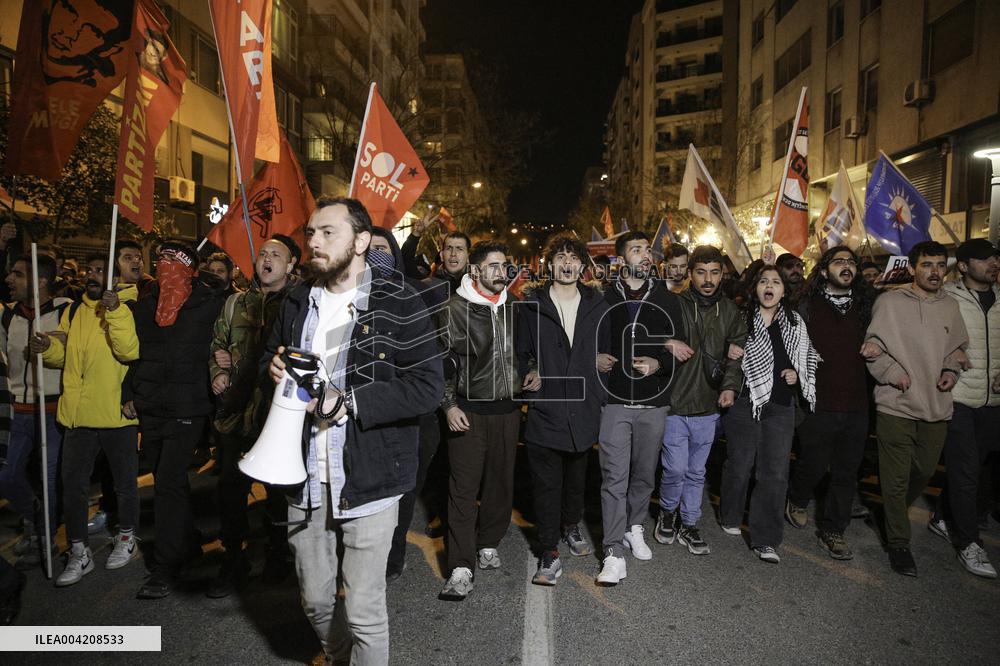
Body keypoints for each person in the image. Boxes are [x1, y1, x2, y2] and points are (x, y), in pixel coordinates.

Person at [265, 196, 442, 663]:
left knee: (364, 610)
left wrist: (352, 401)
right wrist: (276, 366)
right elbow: (271, 355)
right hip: (303, 475)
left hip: (371, 475)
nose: (315, 242)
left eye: (328, 233)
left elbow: (428, 387)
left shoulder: (400, 301)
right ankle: (340, 656)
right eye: (311, 233)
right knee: (316, 601)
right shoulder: (297, 298)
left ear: (361, 241)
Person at [124, 240, 227, 599]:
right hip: (151, 405)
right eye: (162, 258)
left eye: (175, 259)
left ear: (191, 268)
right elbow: (135, 354)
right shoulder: (145, 303)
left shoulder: (208, 302)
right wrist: (129, 394)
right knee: (170, 481)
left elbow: (227, 338)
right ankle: (188, 542)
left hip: (188, 405)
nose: (166, 264)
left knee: (166, 481)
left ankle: (166, 567)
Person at [30, 255, 141, 586]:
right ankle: (79, 550)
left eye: (99, 271)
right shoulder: (74, 310)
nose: (91, 276)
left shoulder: (130, 306)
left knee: (124, 485)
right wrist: (47, 346)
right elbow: (64, 356)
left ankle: (126, 537)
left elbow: (129, 352)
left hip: (116, 414)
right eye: (89, 271)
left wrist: (115, 311)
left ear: (113, 276)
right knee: (73, 486)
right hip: (78, 415)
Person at [862, 240, 968, 577]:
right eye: (927, 265)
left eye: (940, 265)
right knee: (894, 479)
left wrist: (951, 371)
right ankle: (898, 542)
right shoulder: (890, 302)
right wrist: (894, 374)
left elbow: (957, 348)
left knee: (922, 471)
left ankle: (888, 511)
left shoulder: (950, 306)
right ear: (911, 268)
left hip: (936, 405)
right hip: (896, 404)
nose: (935, 272)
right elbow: (873, 348)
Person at [206, 235, 300, 598]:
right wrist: (217, 370)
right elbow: (217, 344)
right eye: (263, 253)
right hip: (235, 414)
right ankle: (234, 557)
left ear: (291, 265)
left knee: (278, 491)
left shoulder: (299, 304)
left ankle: (279, 552)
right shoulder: (234, 303)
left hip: (276, 416)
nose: (267, 259)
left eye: (277, 255)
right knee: (230, 490)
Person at [517, 232, 610, 585]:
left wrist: (599, 387)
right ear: (550, 264)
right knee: (546, 484)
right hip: (547, 408)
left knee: (576, 478)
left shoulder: (597, 304)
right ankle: (548, 551)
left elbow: (605, 351)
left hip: (584, 407)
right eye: (561, 258)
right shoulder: (532, 303)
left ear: (582, 266)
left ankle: (571, 525)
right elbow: (520, 351)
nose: (567, 264)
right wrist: (529, 371)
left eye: (574, 258)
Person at [595, 230, 685, 585]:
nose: (646, 255)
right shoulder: (601, 297)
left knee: (645, 474)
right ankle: (614, 551)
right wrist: (595, 357)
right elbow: (589, 340)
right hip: (615, 402)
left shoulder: (667, 298)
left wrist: (659, 363)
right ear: (621, 259)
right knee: (613, 477)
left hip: (654, 404)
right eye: (636, 249)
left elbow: (681, 346)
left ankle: (635, 526)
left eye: (648, 249)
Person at [436, 240, 521, 600]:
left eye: (505, 266)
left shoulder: (516, 307)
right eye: (493, 266)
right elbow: (440, 362)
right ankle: (460, 566)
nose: (501, 272)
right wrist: (449, 405)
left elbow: (527, 350)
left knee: (500, 483)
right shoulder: (454, 309)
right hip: (468, 412)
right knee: (463, 489)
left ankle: (488, 543)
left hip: (508, 410)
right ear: (475, 271)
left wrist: (530, 370)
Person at [720, 264, 818, 564]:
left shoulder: (795, 322)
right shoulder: (741, 318)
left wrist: (796, 374)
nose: (769, 285)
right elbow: (721, 347)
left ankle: (765, 539)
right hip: (744, 402)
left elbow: (807, 357)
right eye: (763, 280)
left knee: (774, 473)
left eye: (776, 281)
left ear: (784, 290)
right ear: (755, 287)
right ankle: (730, 514)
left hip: (780, 405)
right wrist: (729, 350)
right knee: (740, 464)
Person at [784, 246, 875, 560]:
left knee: (846, 471)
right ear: (824, 271)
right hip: (817, 401)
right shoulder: (805, 305)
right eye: (839, 261)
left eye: (851, 262)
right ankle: (797, 497)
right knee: (813, 462)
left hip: (857, 402)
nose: (847, 266)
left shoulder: (868, 305)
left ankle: (833, 530)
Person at [655, 245, 746, 556]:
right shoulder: (673, 305)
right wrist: (668, 341)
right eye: (701, 272)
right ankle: (667, 512)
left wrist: (730, 387)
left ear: (723, 275)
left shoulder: (731, 312)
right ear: (690, 274)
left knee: (697, 472)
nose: (708, 279)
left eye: (715, 272)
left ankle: (689, 522)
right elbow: (648, 334)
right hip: (674, 405)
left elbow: (736, 356)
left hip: (709, 407)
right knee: (675, 470)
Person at [929, 239, 999, 578]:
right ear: (964, 266)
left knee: (983, 468)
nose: (993, 264)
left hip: (994, 402)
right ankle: (969, 543)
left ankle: (943, 517)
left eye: (995, 258)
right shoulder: (947, 299)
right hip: (958, 397)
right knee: (966, 469)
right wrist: (947, 360)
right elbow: (927, 341)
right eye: (984, 259)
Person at [0, 254, 70, 570]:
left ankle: (46, 535)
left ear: (40, 282)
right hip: (16, 412)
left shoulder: (66, 310)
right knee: (6, 474)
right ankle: (35, 515)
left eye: (17, 273)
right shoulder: (7, 316)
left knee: (49, 477)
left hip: (53, 411)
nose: (9, 279)